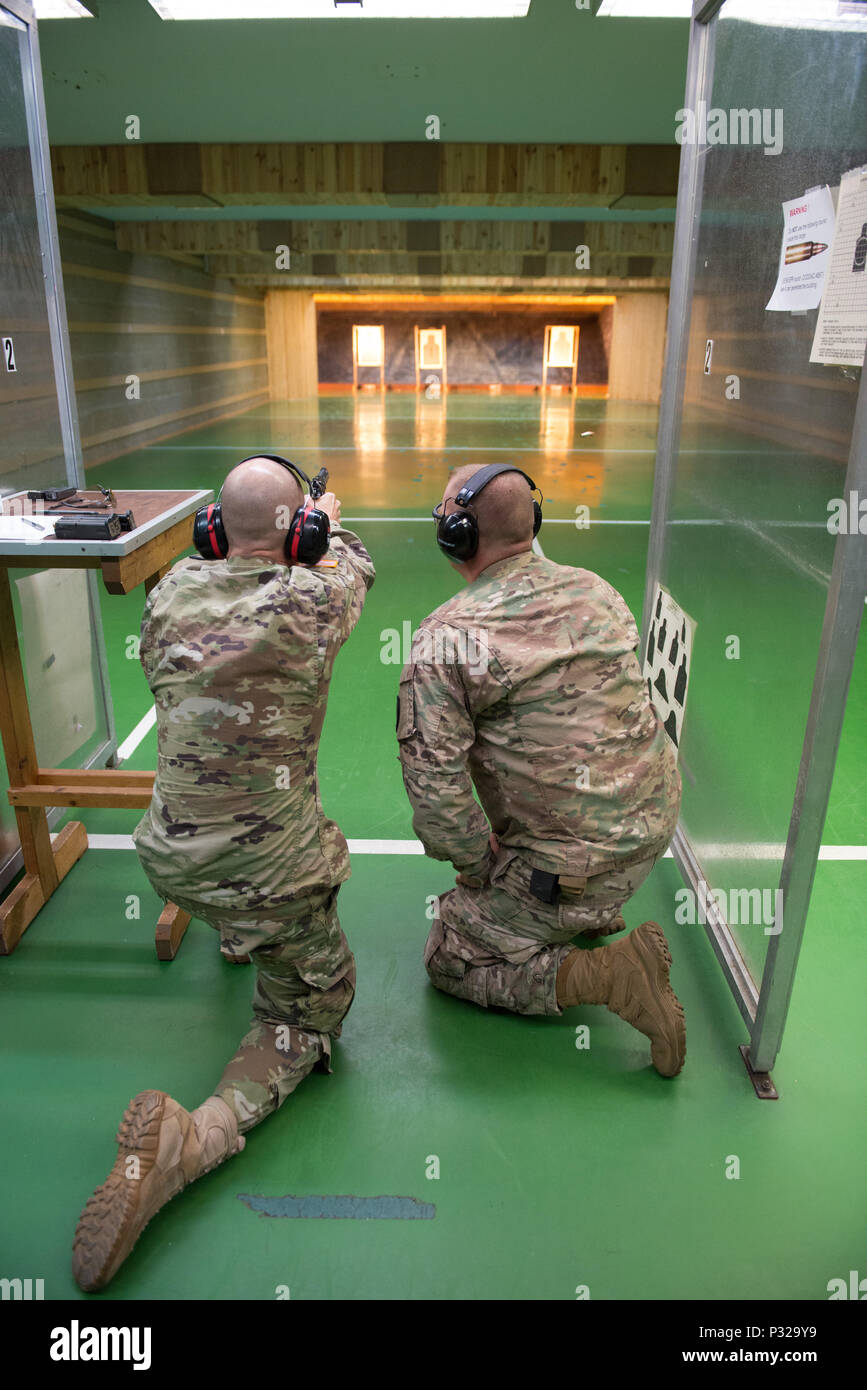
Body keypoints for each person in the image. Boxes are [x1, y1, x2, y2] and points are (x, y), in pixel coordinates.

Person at [72, 456, 375, 1292]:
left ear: (210, 531)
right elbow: (351, 561)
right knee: (314, 1014)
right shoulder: (315, 596)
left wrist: (285, 526)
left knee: (265, 854)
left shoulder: (169, 593)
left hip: (169, 860)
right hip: (266, 873)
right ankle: (193, 1140)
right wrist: (327, 521)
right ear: (302, 535)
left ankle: (240, 931)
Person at [397, 463, 685, 1076]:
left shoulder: (445, 640)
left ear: (458, 535)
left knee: (451, 954)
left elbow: (436, 796)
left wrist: (479, 864)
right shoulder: (595, 587)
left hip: (576, 864)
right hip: (656, 821)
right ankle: (592, 908)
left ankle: (613, 974)